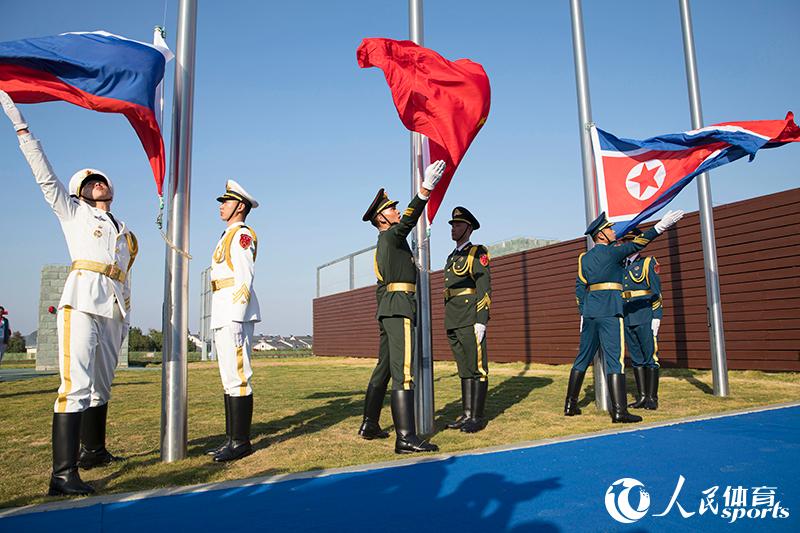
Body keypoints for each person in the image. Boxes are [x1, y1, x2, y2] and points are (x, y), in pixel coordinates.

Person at [1, 90, 137, 496]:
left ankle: (93, 450)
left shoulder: (123, 227)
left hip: (113, 307)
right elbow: (44, 175)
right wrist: (22, 128)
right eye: (89, 181)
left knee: (102, 383)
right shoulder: (72, 211)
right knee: (74, 384)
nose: (97, 183)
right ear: (79, 191)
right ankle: (62, 475)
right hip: (80, 300)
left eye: (102, 180)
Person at [358, 159, 445, 454]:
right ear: (382, 218)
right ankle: (405, 437)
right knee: (403, 372)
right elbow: (408, 220)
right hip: (399, 308)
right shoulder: (392, 235)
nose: (396, 211)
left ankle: (370, 423)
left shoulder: (389, 243)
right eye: (391, 209)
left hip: (388, 308)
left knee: (384, 368)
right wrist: (425, 189)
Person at [565, 209, 683, 423]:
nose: (613, 231)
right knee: (615, 361)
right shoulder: (612, 253)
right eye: (609, 229)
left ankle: (570, 405)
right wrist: (661, 226)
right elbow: (638, 243)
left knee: (582, 358)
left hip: (591, 312)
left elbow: (579, 287)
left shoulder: (583, 258)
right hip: (610, 311)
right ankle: (619, 411)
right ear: (600, 235)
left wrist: (583, 311)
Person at [206, 180, 260, 462]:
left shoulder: (242, 235)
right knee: (229, 379)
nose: (221, 206)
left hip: (234, 312)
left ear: (240, 206)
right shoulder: (226, 235)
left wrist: (237, 317)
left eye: (225, 202)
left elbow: (244, 276)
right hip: (222, 310)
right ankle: (231, 439)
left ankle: (240, 442)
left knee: (238, 376)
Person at [443, 207, 492, 433]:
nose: (454, 228)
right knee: (464, 368)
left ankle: (477, 417)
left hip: (470, 316)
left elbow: (484, 288)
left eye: (458, 224)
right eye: (452, 225)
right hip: (453, 318)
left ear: (469, 228)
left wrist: (481, 319)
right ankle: (467, 413)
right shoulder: (451, 257)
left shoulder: (477, 253)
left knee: (477, 368)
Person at [621, 229, 662, 410]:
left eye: (629, 242)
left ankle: (653, 398)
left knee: (650, 357)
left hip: (645, 316)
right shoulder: (621, 266)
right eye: (624, 243)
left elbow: (656, 292)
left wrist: (657, 317)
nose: (625, 246)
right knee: (636, 359)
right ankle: (642, 397)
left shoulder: (647, 263)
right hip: (628, 318)